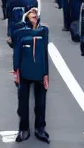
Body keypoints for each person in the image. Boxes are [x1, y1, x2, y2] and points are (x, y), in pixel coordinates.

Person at [13, 8, 49, 144]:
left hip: (39, 71)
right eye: (31, 15)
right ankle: (24, 129)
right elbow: (16, 54)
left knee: (40, 103)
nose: (34, 16)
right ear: (26, 17)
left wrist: (46, 74)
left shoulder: (44, 31)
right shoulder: (20, 32)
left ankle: (40, 128)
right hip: (24, 71)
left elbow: (45, 53)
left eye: (36, 14)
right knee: (23, 103)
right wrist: (16, 71)